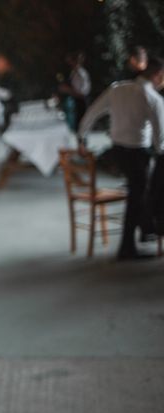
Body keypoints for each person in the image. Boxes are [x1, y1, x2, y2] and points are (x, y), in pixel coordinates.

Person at [78, 56, 164, 260]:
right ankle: (127, 247)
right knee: (140, 195)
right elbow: (160, 139)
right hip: (138, 154)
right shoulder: (152, 97)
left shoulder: (117, 89)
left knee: (141, 192)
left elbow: (92, 112)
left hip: (117, 153)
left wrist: (82, 137)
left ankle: (145, 230)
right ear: (158, 75)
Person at [61, 52, 91, 130]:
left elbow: (82, 91)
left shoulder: (80, 73)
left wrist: (68, 90)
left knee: (81, 123)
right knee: (78, 123)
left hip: (80, 99)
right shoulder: (75, 72)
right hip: (78, 99)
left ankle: (81, 140)